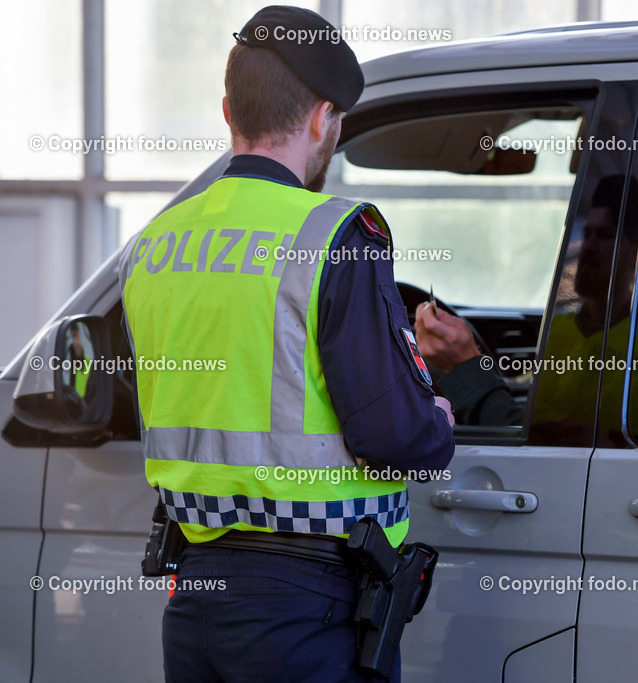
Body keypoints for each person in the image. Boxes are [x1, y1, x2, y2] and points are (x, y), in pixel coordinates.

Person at [117, 6, 455, 681]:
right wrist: (438, 417)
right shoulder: (334, 236)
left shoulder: (154, 244)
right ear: (320, 117)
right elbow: (392, 433)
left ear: (226, 111)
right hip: (311, 608)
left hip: (197, 595)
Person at [416, 175, 638, 448]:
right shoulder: (555, 331)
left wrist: (465, 368)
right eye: (586, 234)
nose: (587, 248)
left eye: (607, 236)